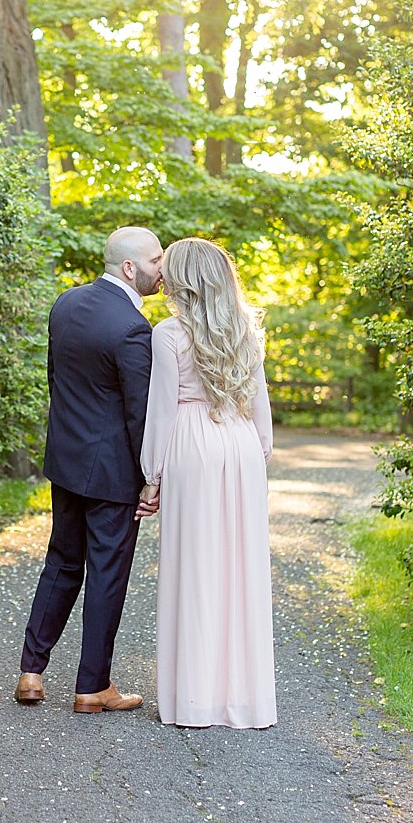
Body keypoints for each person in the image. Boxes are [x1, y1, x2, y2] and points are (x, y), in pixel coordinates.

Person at [16, 226, 164, 713]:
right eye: (156, 261)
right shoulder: (133, 328)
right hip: (114, 474)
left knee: (61, 563)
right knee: (106, 574)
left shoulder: (66, 304)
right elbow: (138, 412)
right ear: (129, 268)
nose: (162, 270)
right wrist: (151, 476)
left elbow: (57, 379)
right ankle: (92, 686)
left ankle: (31, 673)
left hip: (67, 460)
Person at [138, 237, 276, 729]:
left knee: (194, 568)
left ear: (181, 280)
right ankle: (245, 699)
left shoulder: (168, 334)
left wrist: (150, 479)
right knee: (241, 568)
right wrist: (260, 458)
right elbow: (260, 408)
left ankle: (194, 699)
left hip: (192, 445)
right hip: (239, 444)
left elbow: (161, 411)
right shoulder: (247, 330)